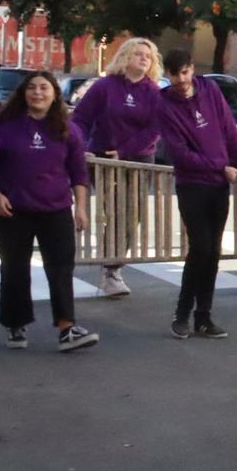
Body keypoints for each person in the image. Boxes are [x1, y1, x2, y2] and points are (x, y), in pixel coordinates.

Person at [0, 72, 97, 352]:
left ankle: (66, 328)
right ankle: (16, 324)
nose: (38, 93)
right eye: (32, 88)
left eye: (44, 88)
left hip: (56, 209)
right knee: (14, 269)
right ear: (24, 93)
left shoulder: (67, 129)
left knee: (61, 269)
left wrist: (82, 209)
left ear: (54, 94)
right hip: (12, 209)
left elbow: (78, 173)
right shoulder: (5, 125)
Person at [159, 50, 237, 340]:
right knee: (200, 247)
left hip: (218, 184)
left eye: (185, 72)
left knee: (213, 251)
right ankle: (181, 314)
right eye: (175, 75)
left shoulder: (210, 90)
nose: (181, 80)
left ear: (192, 69)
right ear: (167, 74)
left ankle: (204, 317)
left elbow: (229, 132)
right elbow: (180, 154)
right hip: (192, 184)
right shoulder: (164, 104)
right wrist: (221, 166)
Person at [70, 36, 164, 298]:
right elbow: (81, 118)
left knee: (131, 213)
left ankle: (113, 267)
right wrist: (81, 145)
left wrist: (124, 151)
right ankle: (110, 268)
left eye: (148, 55)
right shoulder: (105, 86)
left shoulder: (154, 92)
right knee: (113, 210)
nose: (144, 58)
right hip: (102, 157)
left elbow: (155, 129)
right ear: (125, 57)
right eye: (138, 54)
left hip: (138, 159)